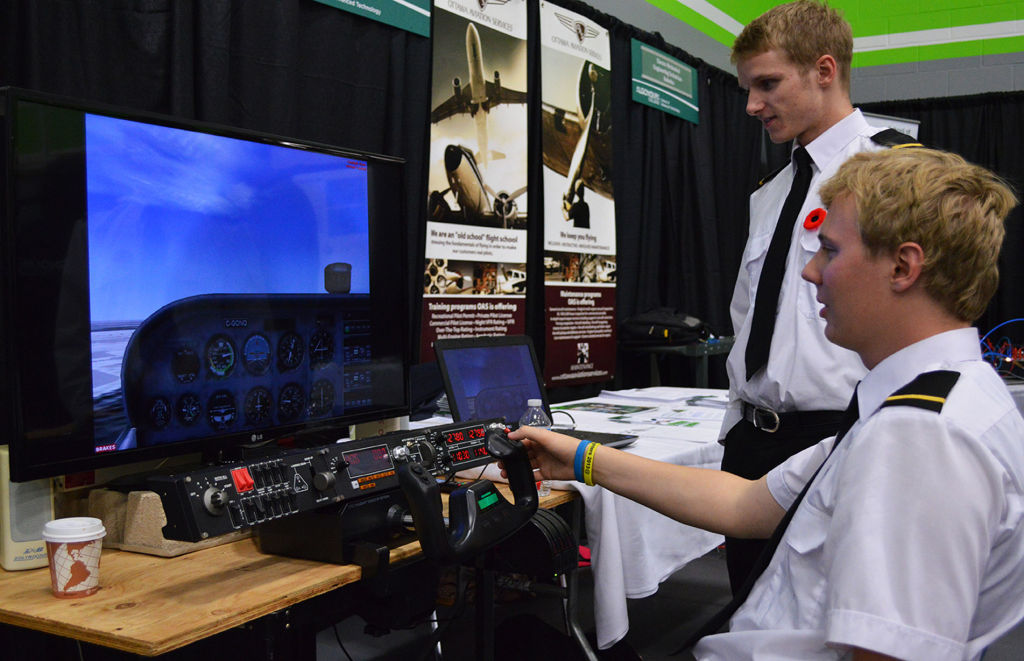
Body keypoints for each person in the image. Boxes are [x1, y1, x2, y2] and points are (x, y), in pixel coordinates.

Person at [509, 147, 1023, 660]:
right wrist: (580, 458)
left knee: (518, 641)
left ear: (903, 267)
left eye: (830, 251)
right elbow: (747, 504)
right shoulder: (948, 396)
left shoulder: (918, 437)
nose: (810, 272)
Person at [720, 0, 918, 592]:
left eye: (768, 83)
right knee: (748, 624)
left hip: (841, 441)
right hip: (752, 443)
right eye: (748, 88)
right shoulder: (772, 192)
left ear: (825, 71)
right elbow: (747, 316)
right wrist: (736, 428)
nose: (753, 104)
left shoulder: (896, 176)